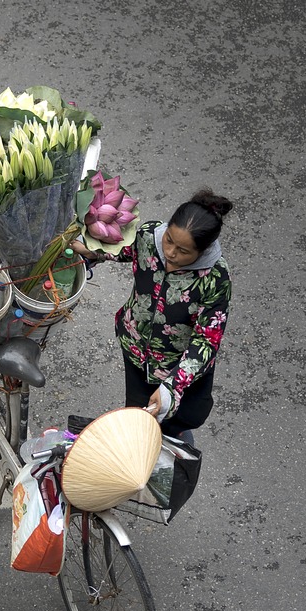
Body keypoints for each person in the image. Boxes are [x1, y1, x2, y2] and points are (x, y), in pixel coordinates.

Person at [73, 189, 233, 445]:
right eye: (169, 240)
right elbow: (125, 250)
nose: (170, 253)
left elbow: (207, 340)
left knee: (179, 418)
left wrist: (172, 386)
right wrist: (92, 250)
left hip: (177, 364)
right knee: (138, 419)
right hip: (136, 349)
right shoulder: (149, 235)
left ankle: (170, 439)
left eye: (183, 251)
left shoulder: (215, 278)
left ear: (203, 251)